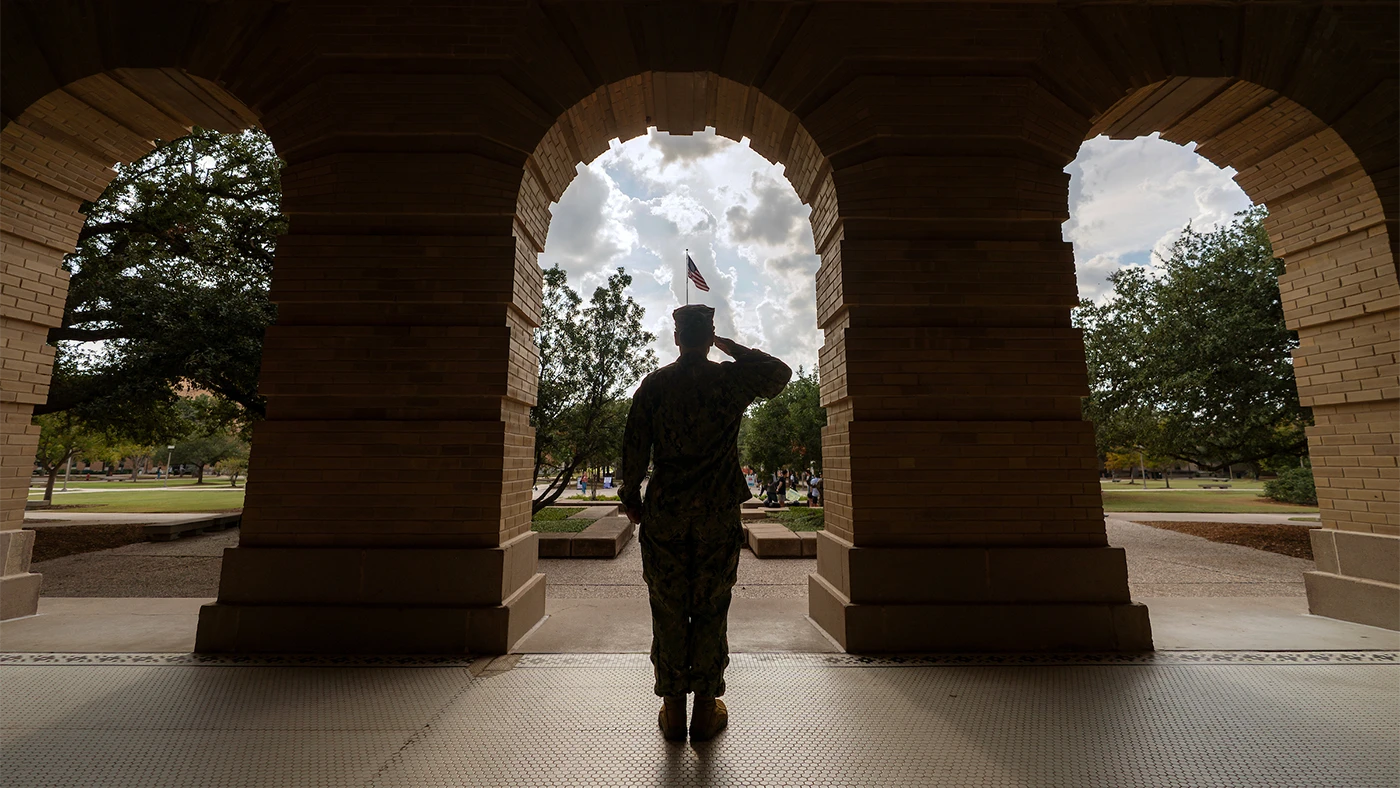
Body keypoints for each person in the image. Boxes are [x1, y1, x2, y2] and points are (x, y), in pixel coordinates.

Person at [620, 304, 791, 743]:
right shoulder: (729, 381)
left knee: (669, 606)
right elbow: (779, 373)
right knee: (712, 607)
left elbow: (634, 451)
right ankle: (704, 710)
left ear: (677, 338)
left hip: (666, 515)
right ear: (709, 336)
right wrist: (731, 347)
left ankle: (673, 710)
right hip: (716, 515)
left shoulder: (655, 386)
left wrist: (632, 500)